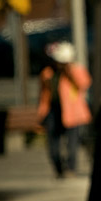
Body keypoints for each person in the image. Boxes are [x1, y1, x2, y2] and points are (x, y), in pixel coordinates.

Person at [38, 41, 92, 178]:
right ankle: (59, 168)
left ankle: (71, 168)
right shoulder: (48, 73)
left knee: (72, 144)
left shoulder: (75, 70)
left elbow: (84, 84)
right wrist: (41, 114)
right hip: (54, 112)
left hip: (73, 113)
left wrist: (70, 70)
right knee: (53, 146)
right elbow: (44, 95)